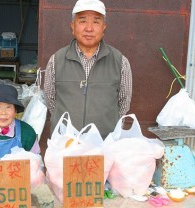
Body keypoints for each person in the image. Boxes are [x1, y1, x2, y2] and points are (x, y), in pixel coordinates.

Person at [43, 0, 132, 139]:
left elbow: (124, 103)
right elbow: (50, 100)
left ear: (104, 27)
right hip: (65, 143)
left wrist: (109, 128)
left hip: (105, 144)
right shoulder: (56, 60)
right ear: (73, 26)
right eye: (82, 21)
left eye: (96, 22)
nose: (89, 28)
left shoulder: (120, 61)